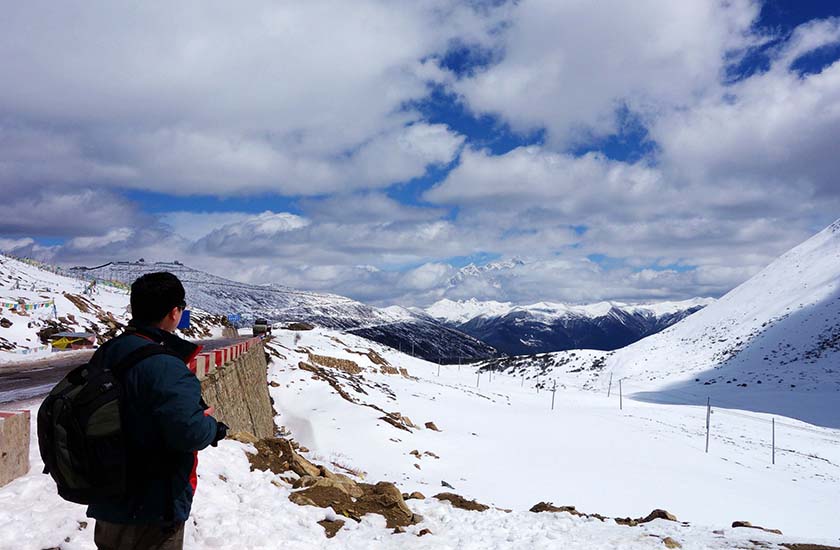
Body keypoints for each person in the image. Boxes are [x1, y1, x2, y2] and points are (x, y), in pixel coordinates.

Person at [88, 272, 228, 550]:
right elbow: (188, 432)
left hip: (108, 497)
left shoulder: (106, 352)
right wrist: (212, 427)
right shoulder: (166, 365)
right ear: (174, 312)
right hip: (153, 507)